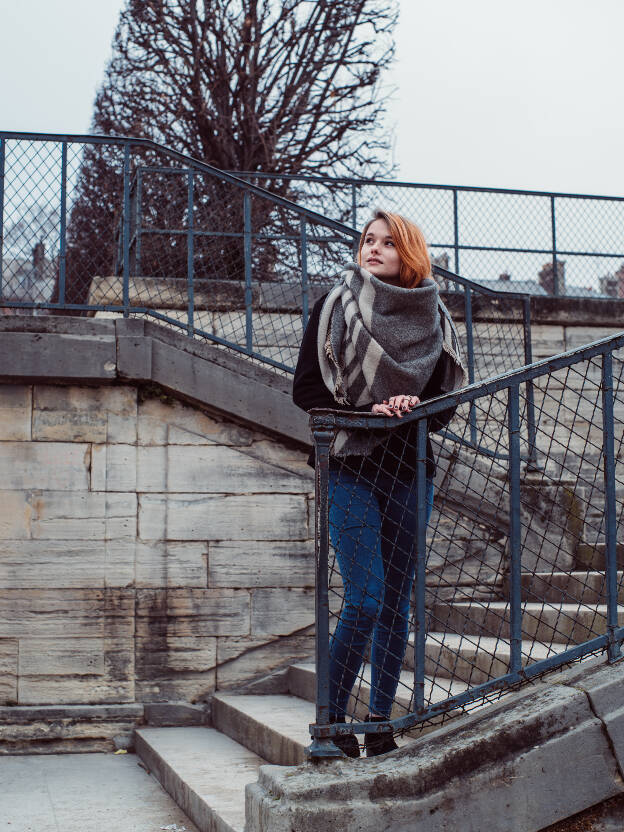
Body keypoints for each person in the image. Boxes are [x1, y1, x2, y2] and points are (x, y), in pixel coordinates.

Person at [293, 210, 466, 758]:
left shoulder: (434, 318)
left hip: (410, 470)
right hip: (349, 467)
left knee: (396, 606)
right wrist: (369, 408)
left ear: (408, 255)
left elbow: (442, 410)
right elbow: (306, 391)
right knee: (365, 599)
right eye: (368, 240)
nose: (374, 249)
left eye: (388, 244)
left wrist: (413, 407)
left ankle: (379, 723)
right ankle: (333, 720)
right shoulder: (333, 308)